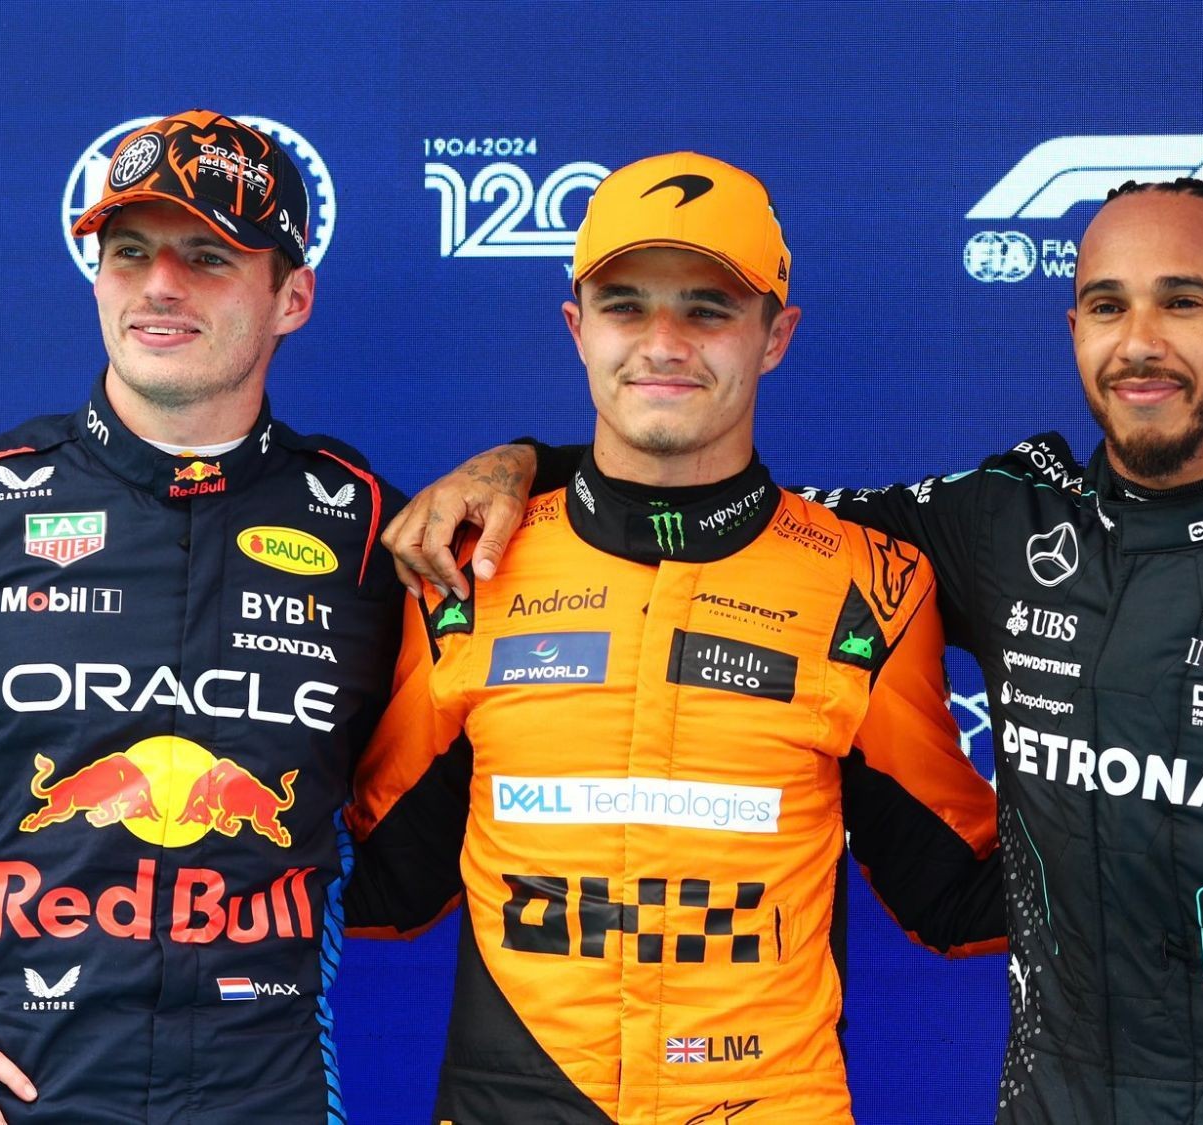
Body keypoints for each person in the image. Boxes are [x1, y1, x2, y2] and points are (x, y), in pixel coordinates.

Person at [385, 179, 1203, 1123]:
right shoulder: (999, 522)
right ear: (1074, 326)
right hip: (1052, 1099)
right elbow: (711, 502)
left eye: (1182, 302)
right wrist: (519, 464)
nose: (1139, 340)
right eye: (1108, 305)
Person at [0, 110, 404, 1124]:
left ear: (292, 296)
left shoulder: (370, 534)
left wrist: (523, 464)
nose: (158, 285)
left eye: (208, 257)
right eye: (129, 252)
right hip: (10, 1104)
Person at [342, 151, 1004, 1124]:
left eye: (707, 309)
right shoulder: (469, 567)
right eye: (624, 306)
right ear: (576, 327)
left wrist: (1174, 842)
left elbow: (948, 890)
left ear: (775, 336)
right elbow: (378, 879)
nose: (662, 342)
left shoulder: (866, 583)